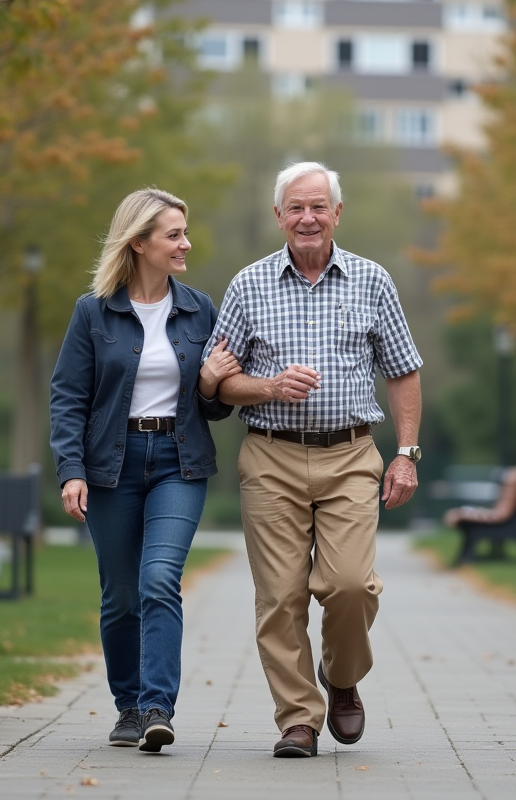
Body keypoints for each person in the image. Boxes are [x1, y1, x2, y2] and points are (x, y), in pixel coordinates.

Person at [209, 162, 423, 758]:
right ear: (279, 217)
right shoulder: (247, 286)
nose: (307, 218)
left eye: (318, 206)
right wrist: (269, 387)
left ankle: (343, 675)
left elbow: (404, 371)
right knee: (280, 596)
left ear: (336, 213)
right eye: (295, 208)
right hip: (271, 457)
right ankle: (298, 719)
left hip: (353, 453)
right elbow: (217, 384)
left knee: (350, 584)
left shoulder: (372, 280)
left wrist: (405, 454)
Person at [49, 188, 239, 753]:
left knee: (159, 580)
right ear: (138, 243)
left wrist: (208, 384)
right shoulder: (93, 311)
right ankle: (128, 707)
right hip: (111, 466)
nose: (186, 243)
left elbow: (216, 403)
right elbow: (68, 397)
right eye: (173, 234)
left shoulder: (199, 308)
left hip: (179, 463)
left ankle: (159, 706)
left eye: (185, 231)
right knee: (121, 595)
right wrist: (71, 469)